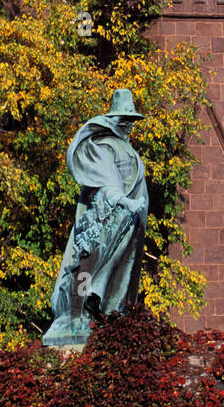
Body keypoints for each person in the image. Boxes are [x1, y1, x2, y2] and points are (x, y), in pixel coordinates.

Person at [42, 89, 149, 348]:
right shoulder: (101, 146)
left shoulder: (127, 149)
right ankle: (78, 314)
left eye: (132, 121)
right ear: (114, 120)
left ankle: (104, 310)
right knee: (89, 264)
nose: (130, 126)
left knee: (117, 272)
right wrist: (127, 202)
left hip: (128, 223)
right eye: (125, 121)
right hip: (104, 219)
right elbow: (109, 184)